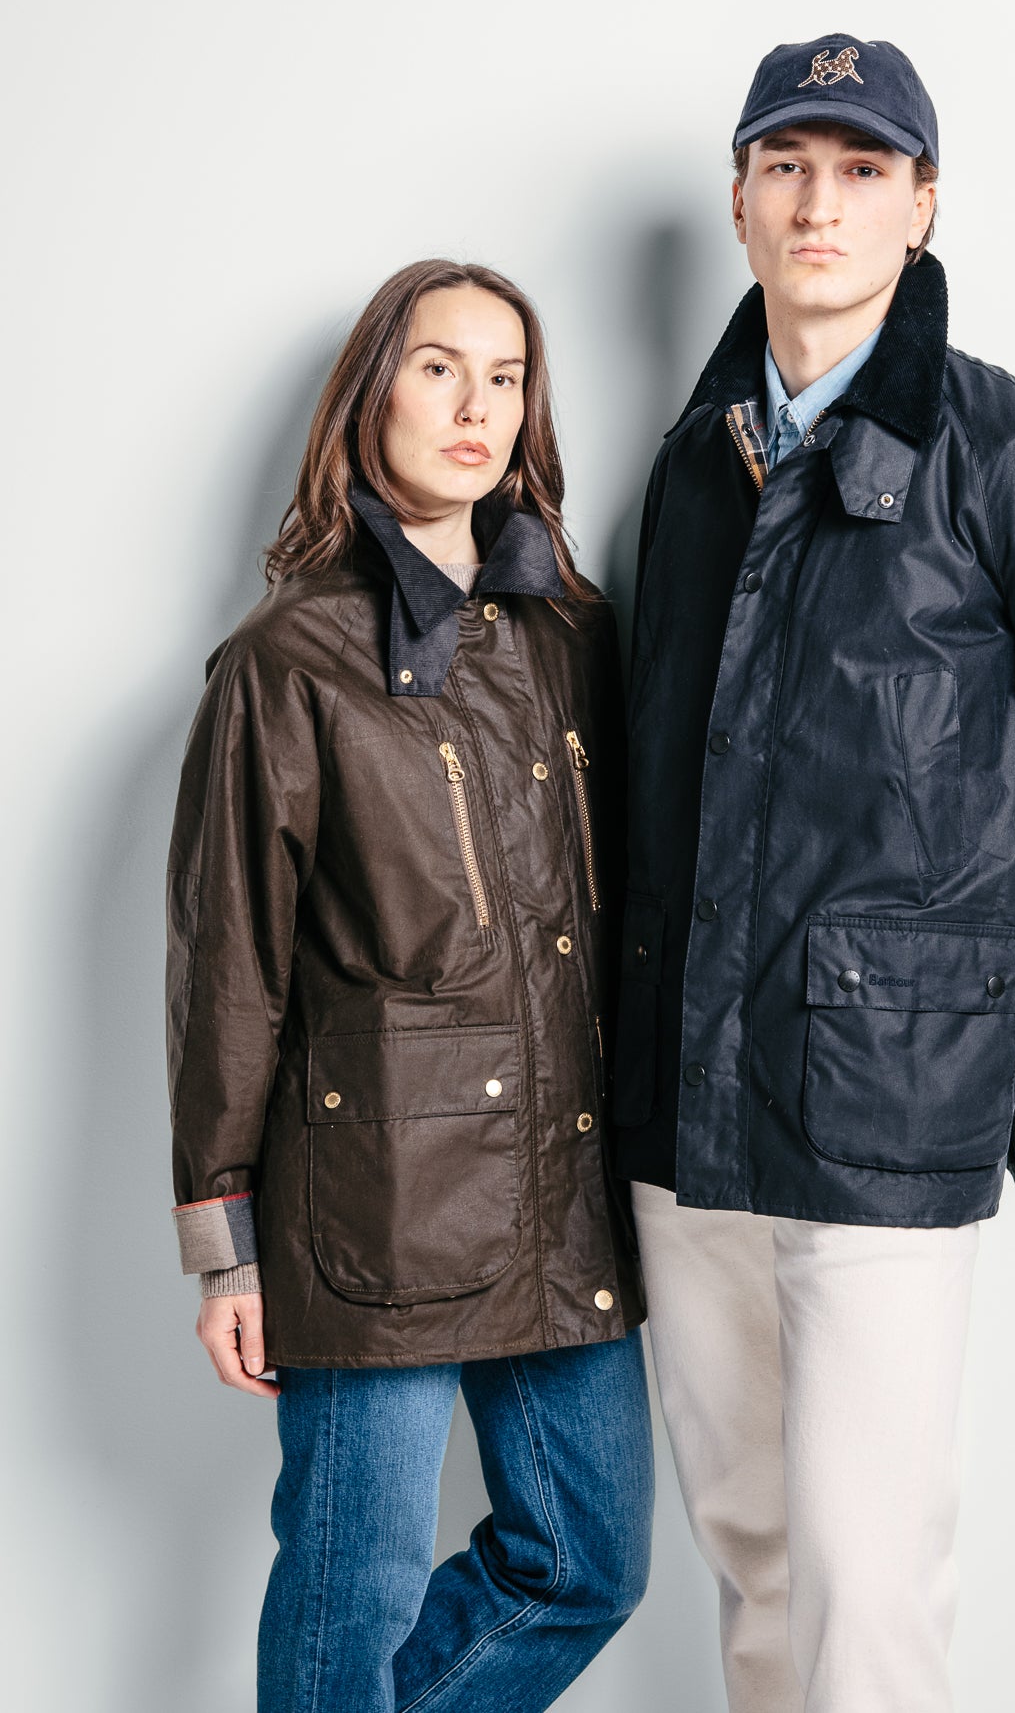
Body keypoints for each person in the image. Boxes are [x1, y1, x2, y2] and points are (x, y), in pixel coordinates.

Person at [610, 35, 1015, 1713]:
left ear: (924, 206)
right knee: (754, 1559)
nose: (821, 203)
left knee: (868, 1586)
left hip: (882, 1115)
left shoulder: (1014, 458)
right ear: (740, 203)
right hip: (684, 1111)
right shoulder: (695, 463)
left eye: (863, 169)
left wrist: (928, 967)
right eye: (788, 167)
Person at [164, 259, 653, 1713]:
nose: (475, 407)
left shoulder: (573, 634)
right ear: (371, 392)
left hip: (564, 1187)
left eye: (506, 379)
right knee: (350, 1596)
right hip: (372, 1204)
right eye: (440, 368)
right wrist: (224, 1247)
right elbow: (227, 964)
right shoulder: (288, 660)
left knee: (588, 1564)